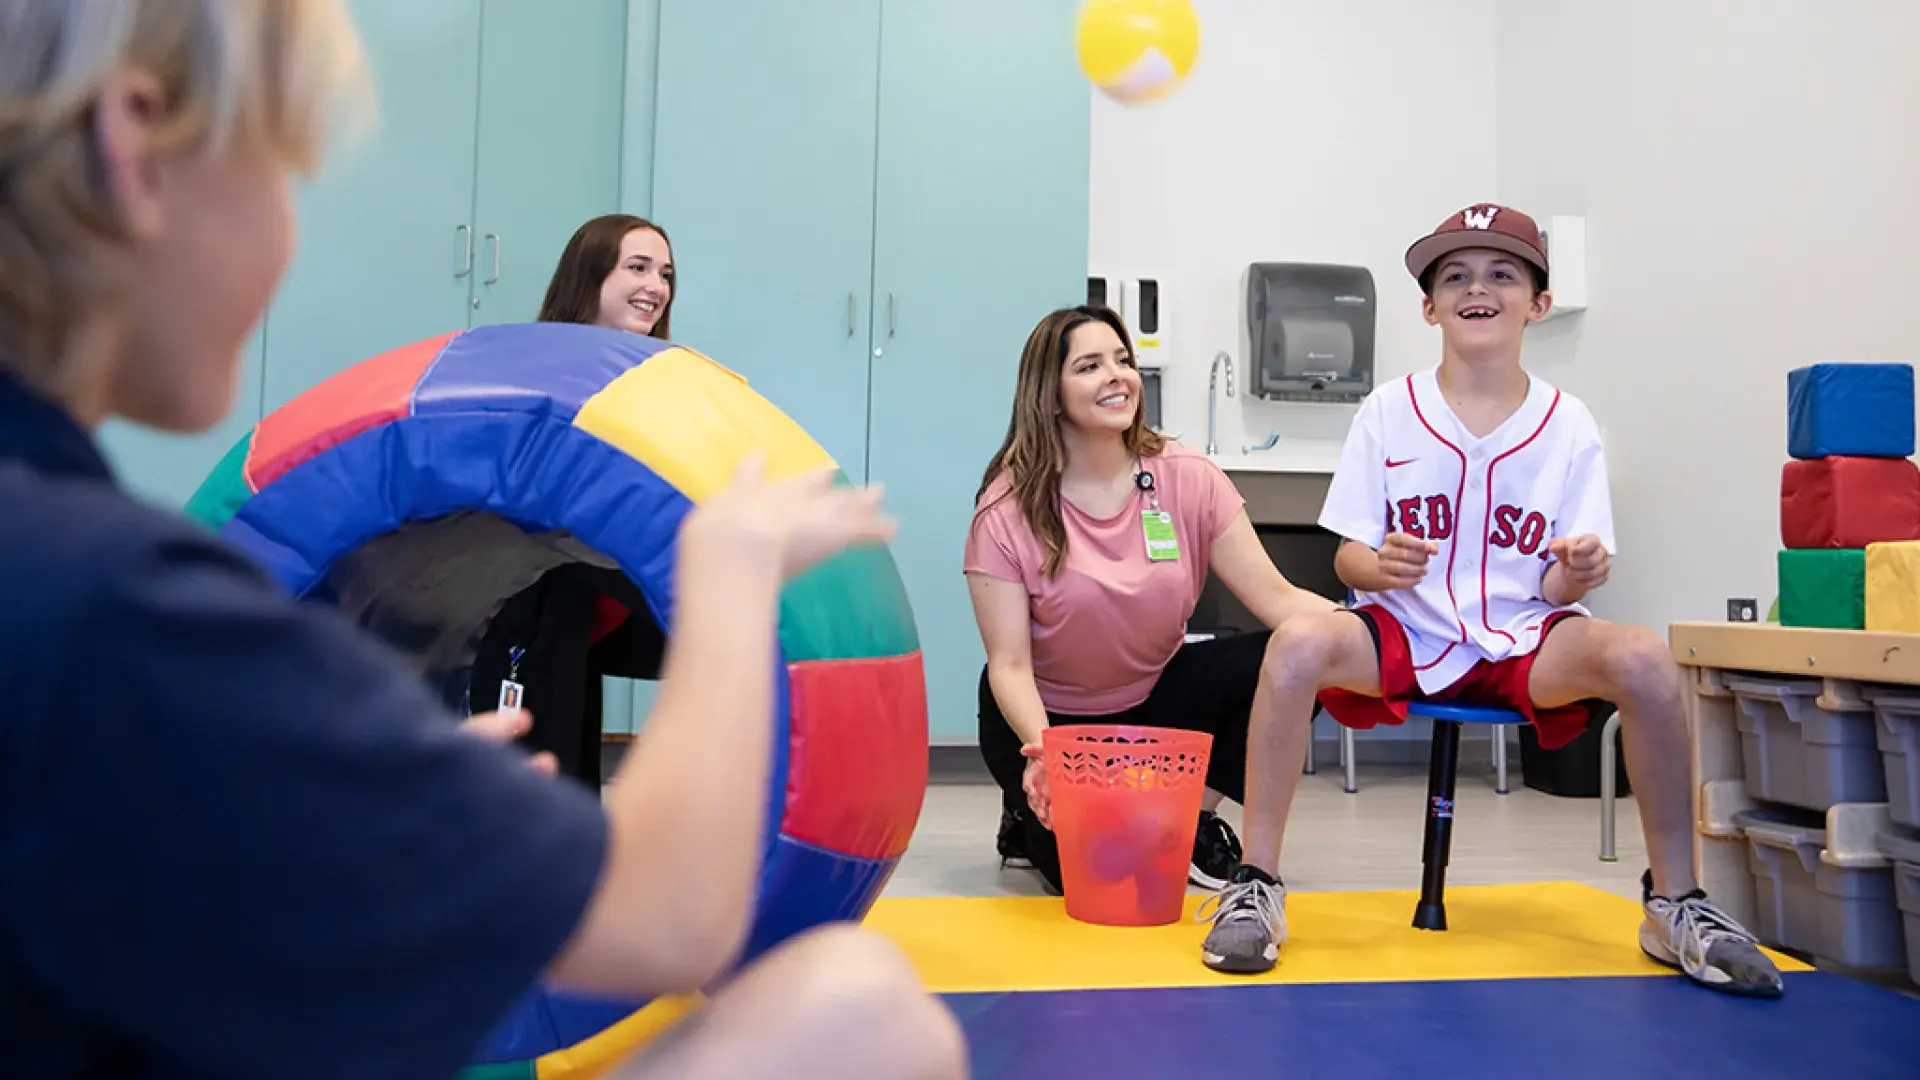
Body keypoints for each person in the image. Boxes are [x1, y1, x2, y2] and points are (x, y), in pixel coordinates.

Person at [0, 4, 967, 1079]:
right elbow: (674, 920)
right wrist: (730, 581)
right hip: (547, 638)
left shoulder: (78, 579)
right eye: (282, 169)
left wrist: (351, 793)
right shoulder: (116, 606)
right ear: (136, 152)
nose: (288, 232)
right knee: (859, 1009)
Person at [1198, 202, 1784, 999]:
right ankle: (1257, 882)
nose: (1479, 287)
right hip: (1404, 632)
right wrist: (1378, 566)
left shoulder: (1568, 424)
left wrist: (1577, 571)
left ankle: (1675, 901)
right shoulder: (1387, 411)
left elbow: (1559, 583)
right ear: (1429, 305)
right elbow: (1345, 554)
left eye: (1503, 273)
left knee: (1644, 656)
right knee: (1297, 642)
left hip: (1522, 639)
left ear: (1537, 304)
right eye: (1456, 275)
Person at [964, 305, 1338, 894]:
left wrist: (1375, 634)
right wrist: (1049, 759)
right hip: (1048, 719)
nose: (1116, 375)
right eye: (1090, 365)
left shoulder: (1187, 476)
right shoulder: (1006, 510)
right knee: (1095, 876)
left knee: (1304, 653)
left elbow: (1277, 597)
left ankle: (1190, 814)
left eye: (1122, 360)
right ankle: (1023, 817)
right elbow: (1009, 665)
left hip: (1156, 697)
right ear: (1049, 395)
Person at [461, 214, 681, 789]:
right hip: (534, 596)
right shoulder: (538, 369)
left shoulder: (653, 380)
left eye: (665, 273)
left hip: (601, 594)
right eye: (637, 267)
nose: (655, 286)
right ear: (590, 275)